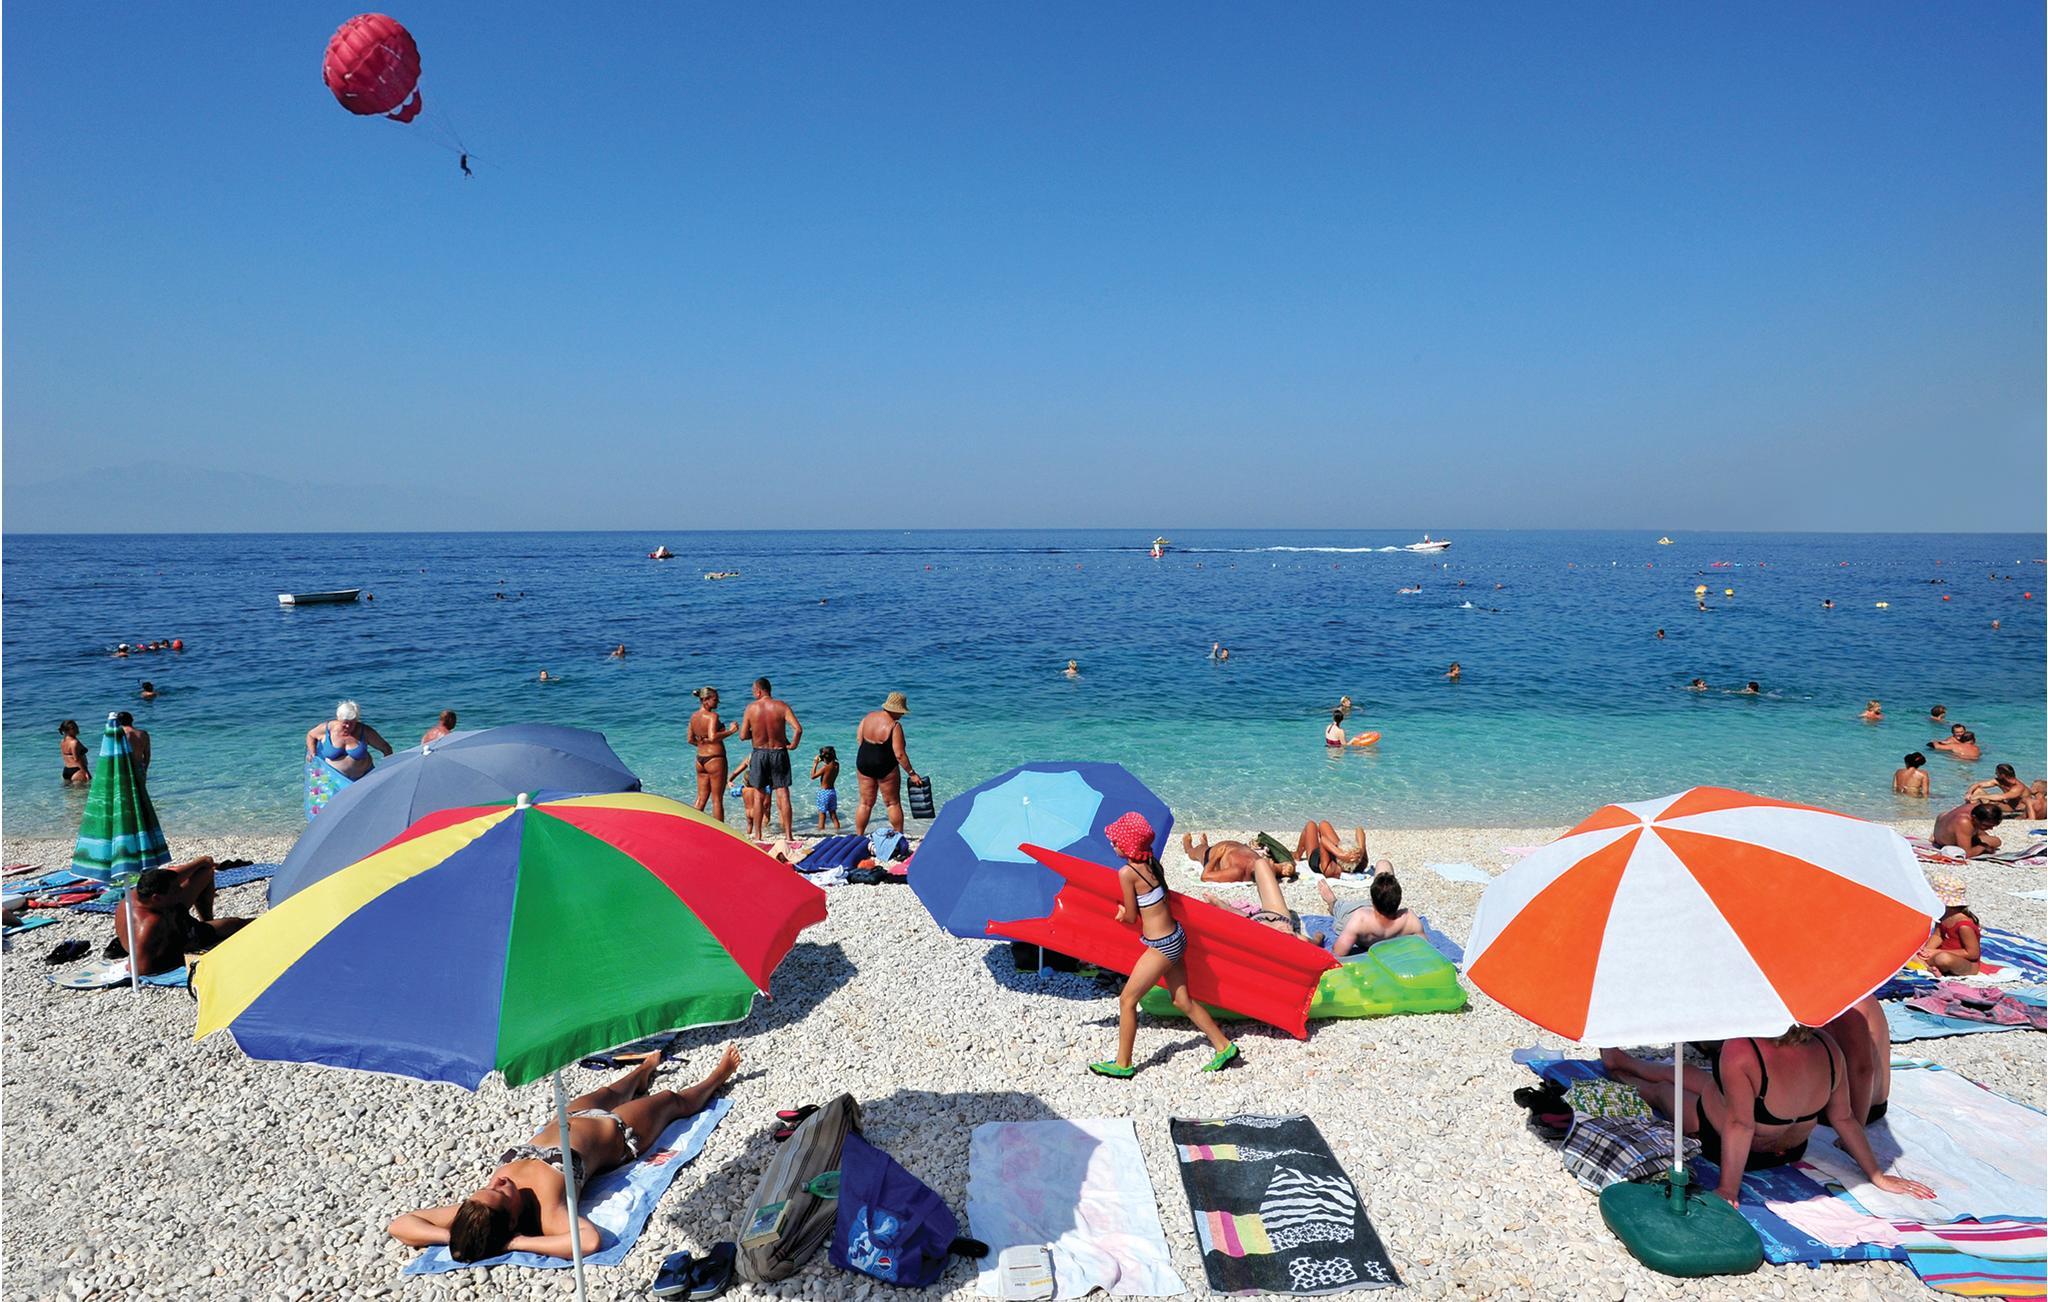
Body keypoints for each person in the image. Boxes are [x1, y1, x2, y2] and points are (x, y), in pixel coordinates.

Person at [389, 1046, 741, 1262]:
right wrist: (515, 1243)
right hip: (619, 1133)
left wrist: (458, 1238)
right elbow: (589, 1240)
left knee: (613, 1088)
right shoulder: (548, 1212)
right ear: (511, 1222)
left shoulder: (478, 1210)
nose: (498, 1181)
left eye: (488, 1186)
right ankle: (717, 1077)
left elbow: (400, 1224)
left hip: (570, 1116)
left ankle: (642, 1071)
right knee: (670, 1101)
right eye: (501, 1193)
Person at [1601, 1031, 1933, 1207]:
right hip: (1790, 1149)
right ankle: (1627, 1063)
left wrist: (1728, 1189)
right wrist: (1876, 1174)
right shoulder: (1829, 1048)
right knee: (1696, 1076)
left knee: (1665, 1093)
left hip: (1728, 1143)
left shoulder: (1741, 1050)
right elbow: (1844, 1118)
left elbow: (1740, 1125)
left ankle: (1623, 1074)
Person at [1089, 813, 1237, 1078]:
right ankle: (1224, 1046)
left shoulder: (1127, 873)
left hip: (1161, 946)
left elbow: (1131, 917)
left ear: (1128, 845)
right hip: (1176, 937)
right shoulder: (1152, 864)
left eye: (1116, 841)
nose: (1112, 845)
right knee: (1182, 1000)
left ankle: (1123, 1064)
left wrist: (1121, 914)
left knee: (1127, 1000)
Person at [105, 859, 249, 977]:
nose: (180, 891)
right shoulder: (150, 923)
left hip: (164, 921)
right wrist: (183, 954)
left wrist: (203, 861)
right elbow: (139, 969)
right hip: (174, 939)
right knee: (235, 924)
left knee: (204, 872)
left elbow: (175, 875)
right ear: (157, 898)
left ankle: (207, 922)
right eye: (175, 890)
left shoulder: (137, 894)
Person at [740, 678, 803, 842]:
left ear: (759, 691)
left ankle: (758, 834)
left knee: (759, 795)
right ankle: (788, 835)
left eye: (753, 691)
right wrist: (793, 745)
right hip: (779, 752)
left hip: (759, 753)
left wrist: (756, 732)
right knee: (783, 793)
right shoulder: (781, 706)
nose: (753, 694)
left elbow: (743, 735)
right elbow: (798, 729)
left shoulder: (751, 708)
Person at [852, 692, 917, 836]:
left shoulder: (868, 717)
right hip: (885, 765)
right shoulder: (894, 726)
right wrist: (912, 774)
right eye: (901, 711)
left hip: (864, 762)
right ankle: (899, 836)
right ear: (895, 710)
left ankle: (859, 836)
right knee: (892, 803)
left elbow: (859, 739)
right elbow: (899, 754)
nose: (902, 714)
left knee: (865, 803)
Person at [1822, 995, 1891, 1126]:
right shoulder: (1861, 995)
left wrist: (1855, 1126)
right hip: (1869, 1105)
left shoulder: (1848, 1007)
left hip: (1852, 1110)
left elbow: (1862, 1070)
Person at [1317, 872, 1421, 956]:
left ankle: (1332, 901)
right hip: (1385, 911)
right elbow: (1425, 951)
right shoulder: (1409, 919)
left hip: (1361, 919)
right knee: (1383, 863)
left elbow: (1338, 953)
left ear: (1372, 902)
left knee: (1340, 908)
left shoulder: (1361, 918)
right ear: (1400, 899)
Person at [687, 687, 741, 824]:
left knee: (701, 799)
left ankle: (691, 827)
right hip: (715, 759)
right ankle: (720, 832)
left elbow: (690, 739)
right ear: (705, 700)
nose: (718, 702)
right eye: (715, 699)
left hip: (700, 759)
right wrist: (731, 731)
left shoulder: (693, 716)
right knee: (717, 799)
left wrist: (702, 745)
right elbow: (713, 737)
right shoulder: (712, 716)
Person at [306, 701, 393, 782]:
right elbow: (311, 735)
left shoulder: (365, 732)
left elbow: (386, 748)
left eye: (352, 723)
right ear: (338, 718)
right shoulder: (327, 729)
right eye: (345, 722)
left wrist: (386, 768)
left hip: (363, 780)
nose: (348, 726)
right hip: (334, 781)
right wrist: (312, 751)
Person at [1918, 874, 1982, 976]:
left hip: (1966, 963)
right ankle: (1929, 968)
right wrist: (1927, 950)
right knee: (1911, 953)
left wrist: (1935, 952)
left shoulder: (1964, 926)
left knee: (1943, 958)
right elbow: (1938, 935)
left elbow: (1972, 953)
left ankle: (1926, 966)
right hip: (1941, 953)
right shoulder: (1943, 916)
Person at [1182, 833, 1267, 884]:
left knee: (1199, 850)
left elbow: (1205, 877)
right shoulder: (1259, 863)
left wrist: (1215, 857)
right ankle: (1205, 844)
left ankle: (1188, 848)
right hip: (1229, 848)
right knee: (1204, 847)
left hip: (1210, 855)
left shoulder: (1236, 871)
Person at [1294, 820, 1368, 878]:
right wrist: (1361, 850)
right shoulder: (1361, 864)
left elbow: (1323, 840)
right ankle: (1335, 849)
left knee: (1311, 825)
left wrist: (1340, 854)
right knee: (1324, 824)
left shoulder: (1332, 870)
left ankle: (1297, 855)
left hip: (1316, 857)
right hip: (1332, 849)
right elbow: (1359, 829)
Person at [1932, 801, 2002, 858]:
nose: (1991, 828)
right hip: (1943, 840)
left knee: (1986, 836)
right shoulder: (1964, 822)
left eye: (1993, 825)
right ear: (1974, 818)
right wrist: (1983, 847)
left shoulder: (1976, 807)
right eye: (1986, 825)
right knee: (1996, 841)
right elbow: (1966, 853)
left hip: (1943, 823)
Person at [1966, 763, 2036, 815]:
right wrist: (1969, 793)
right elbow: (1978, 784)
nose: (1995, 774)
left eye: (1997, 773)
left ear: (2003, 775)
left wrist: (1980, 796)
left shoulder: (2018, 787)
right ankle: (1969, 811)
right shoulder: (2000, 781)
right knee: (1977, 790)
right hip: (2007, 803)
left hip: (2015, 809)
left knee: (1992, 802)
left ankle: (1973, 813)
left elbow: (2001, 797)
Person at [811, 746, 842, 834]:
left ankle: (821, 833)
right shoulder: (836, 765)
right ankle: (838, 832)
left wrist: (815, 763)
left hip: (824, 793)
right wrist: (824, 758)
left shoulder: (825, 768)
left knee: (822, 815)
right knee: (833, 815)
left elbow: (812, 776)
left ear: (824, 758)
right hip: (832, 792)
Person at [115, 712, 151, 783]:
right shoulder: (143, 734)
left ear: (118, 722)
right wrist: (145, 769)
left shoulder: (119, 735)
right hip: (140, 766)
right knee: (141, 789)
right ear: (132, 720)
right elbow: (147, 754)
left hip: (125, 767)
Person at [58, 719, 91, 786]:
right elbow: (76, 759)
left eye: (76, 726)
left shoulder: (62, 741)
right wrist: (86, 772)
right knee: (83, 792)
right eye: (73, 728)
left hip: (66, 770)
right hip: (77, 770)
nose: (76, 729)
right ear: (67, 731)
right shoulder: (74, 742)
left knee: (69, 792)